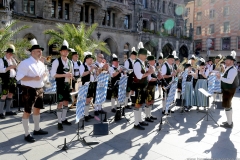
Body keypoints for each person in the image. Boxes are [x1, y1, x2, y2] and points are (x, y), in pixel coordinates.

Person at [16, 39, 48, 142]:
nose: (40, 53)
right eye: (38, 51)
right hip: (28, 90)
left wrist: (44, 76)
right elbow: (19, 77)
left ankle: (37, 129)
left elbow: (44, 76)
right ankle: (26, 134)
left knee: (37, 109)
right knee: (27, 111)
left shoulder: (41, 63)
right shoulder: (25, 63)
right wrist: (33, 78)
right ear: (32, 52)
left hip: (39, 89)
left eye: (41, 51)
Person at [51, 40, 73, 130]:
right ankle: (59, 121)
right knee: (60, 103)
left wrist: (72, 76)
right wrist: (65, 75)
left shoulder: (70, 62)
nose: (66, 52)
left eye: (67, 51)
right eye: (64, 51)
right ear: (60, 52)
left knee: (66, 102)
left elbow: (71, 73)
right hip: (60, 84)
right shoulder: (56, 61)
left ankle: (64, 119)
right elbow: (53, 74)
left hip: (67, 84)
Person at [133, 47, 153, 130]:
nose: (146, 57)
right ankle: (136, 123)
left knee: (140, 104)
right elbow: (139, 76)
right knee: (137, 104)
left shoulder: (142, 63)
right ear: (140, 55)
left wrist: (149, 71)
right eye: (145, 55)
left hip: (142, 87)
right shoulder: (137, 63)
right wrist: (149, 73)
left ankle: (140, 120)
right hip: (138, 87)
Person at [216, 54, 238, 128]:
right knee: (228, 106)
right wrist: (219, 78)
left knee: (227, 106)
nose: (225, 61)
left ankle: (229, 124)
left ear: (231, 61)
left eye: (227, 60)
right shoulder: (228, 68)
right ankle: (229, 121)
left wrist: (220, 78)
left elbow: (230, 81)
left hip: (229, 89)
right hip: (227, 89)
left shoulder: (232, 70)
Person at [0, 45, 18, 119]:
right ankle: (0, 112)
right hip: (5, 80)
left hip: (12, 79)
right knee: (4, 95)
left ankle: (8, 110)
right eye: (9, 53)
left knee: (11, 94)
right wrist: (10, 67)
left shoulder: (12, 60)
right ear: (6, 53)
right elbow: (1, 70)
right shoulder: (1, 60)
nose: (10, 55)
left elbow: (16, 67)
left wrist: (16, 65)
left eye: (11, 54)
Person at [79, 52, 96, 121]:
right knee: (87, 100)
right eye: (90, 59)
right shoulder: (82, 66)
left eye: (92, 60)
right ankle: (85, 115)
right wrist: (90, 71)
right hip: (86, 84)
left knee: (90, 98)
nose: (91, 61)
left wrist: (96, 70)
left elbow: (94, 75)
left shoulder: (91, 66)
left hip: (92, 83)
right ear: (86, 59)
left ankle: (87, 113)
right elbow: (82, 74)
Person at [145, 55, 157, 122]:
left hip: (152, 86)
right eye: (153, 60)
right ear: (150, 61)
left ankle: (149, 115)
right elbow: (149, 79)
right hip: (149, 87)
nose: (154, 61)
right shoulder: (148, 68)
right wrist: (156, 79)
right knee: (148, 102)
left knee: (151, 101)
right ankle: (147, 116)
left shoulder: (153, 67)